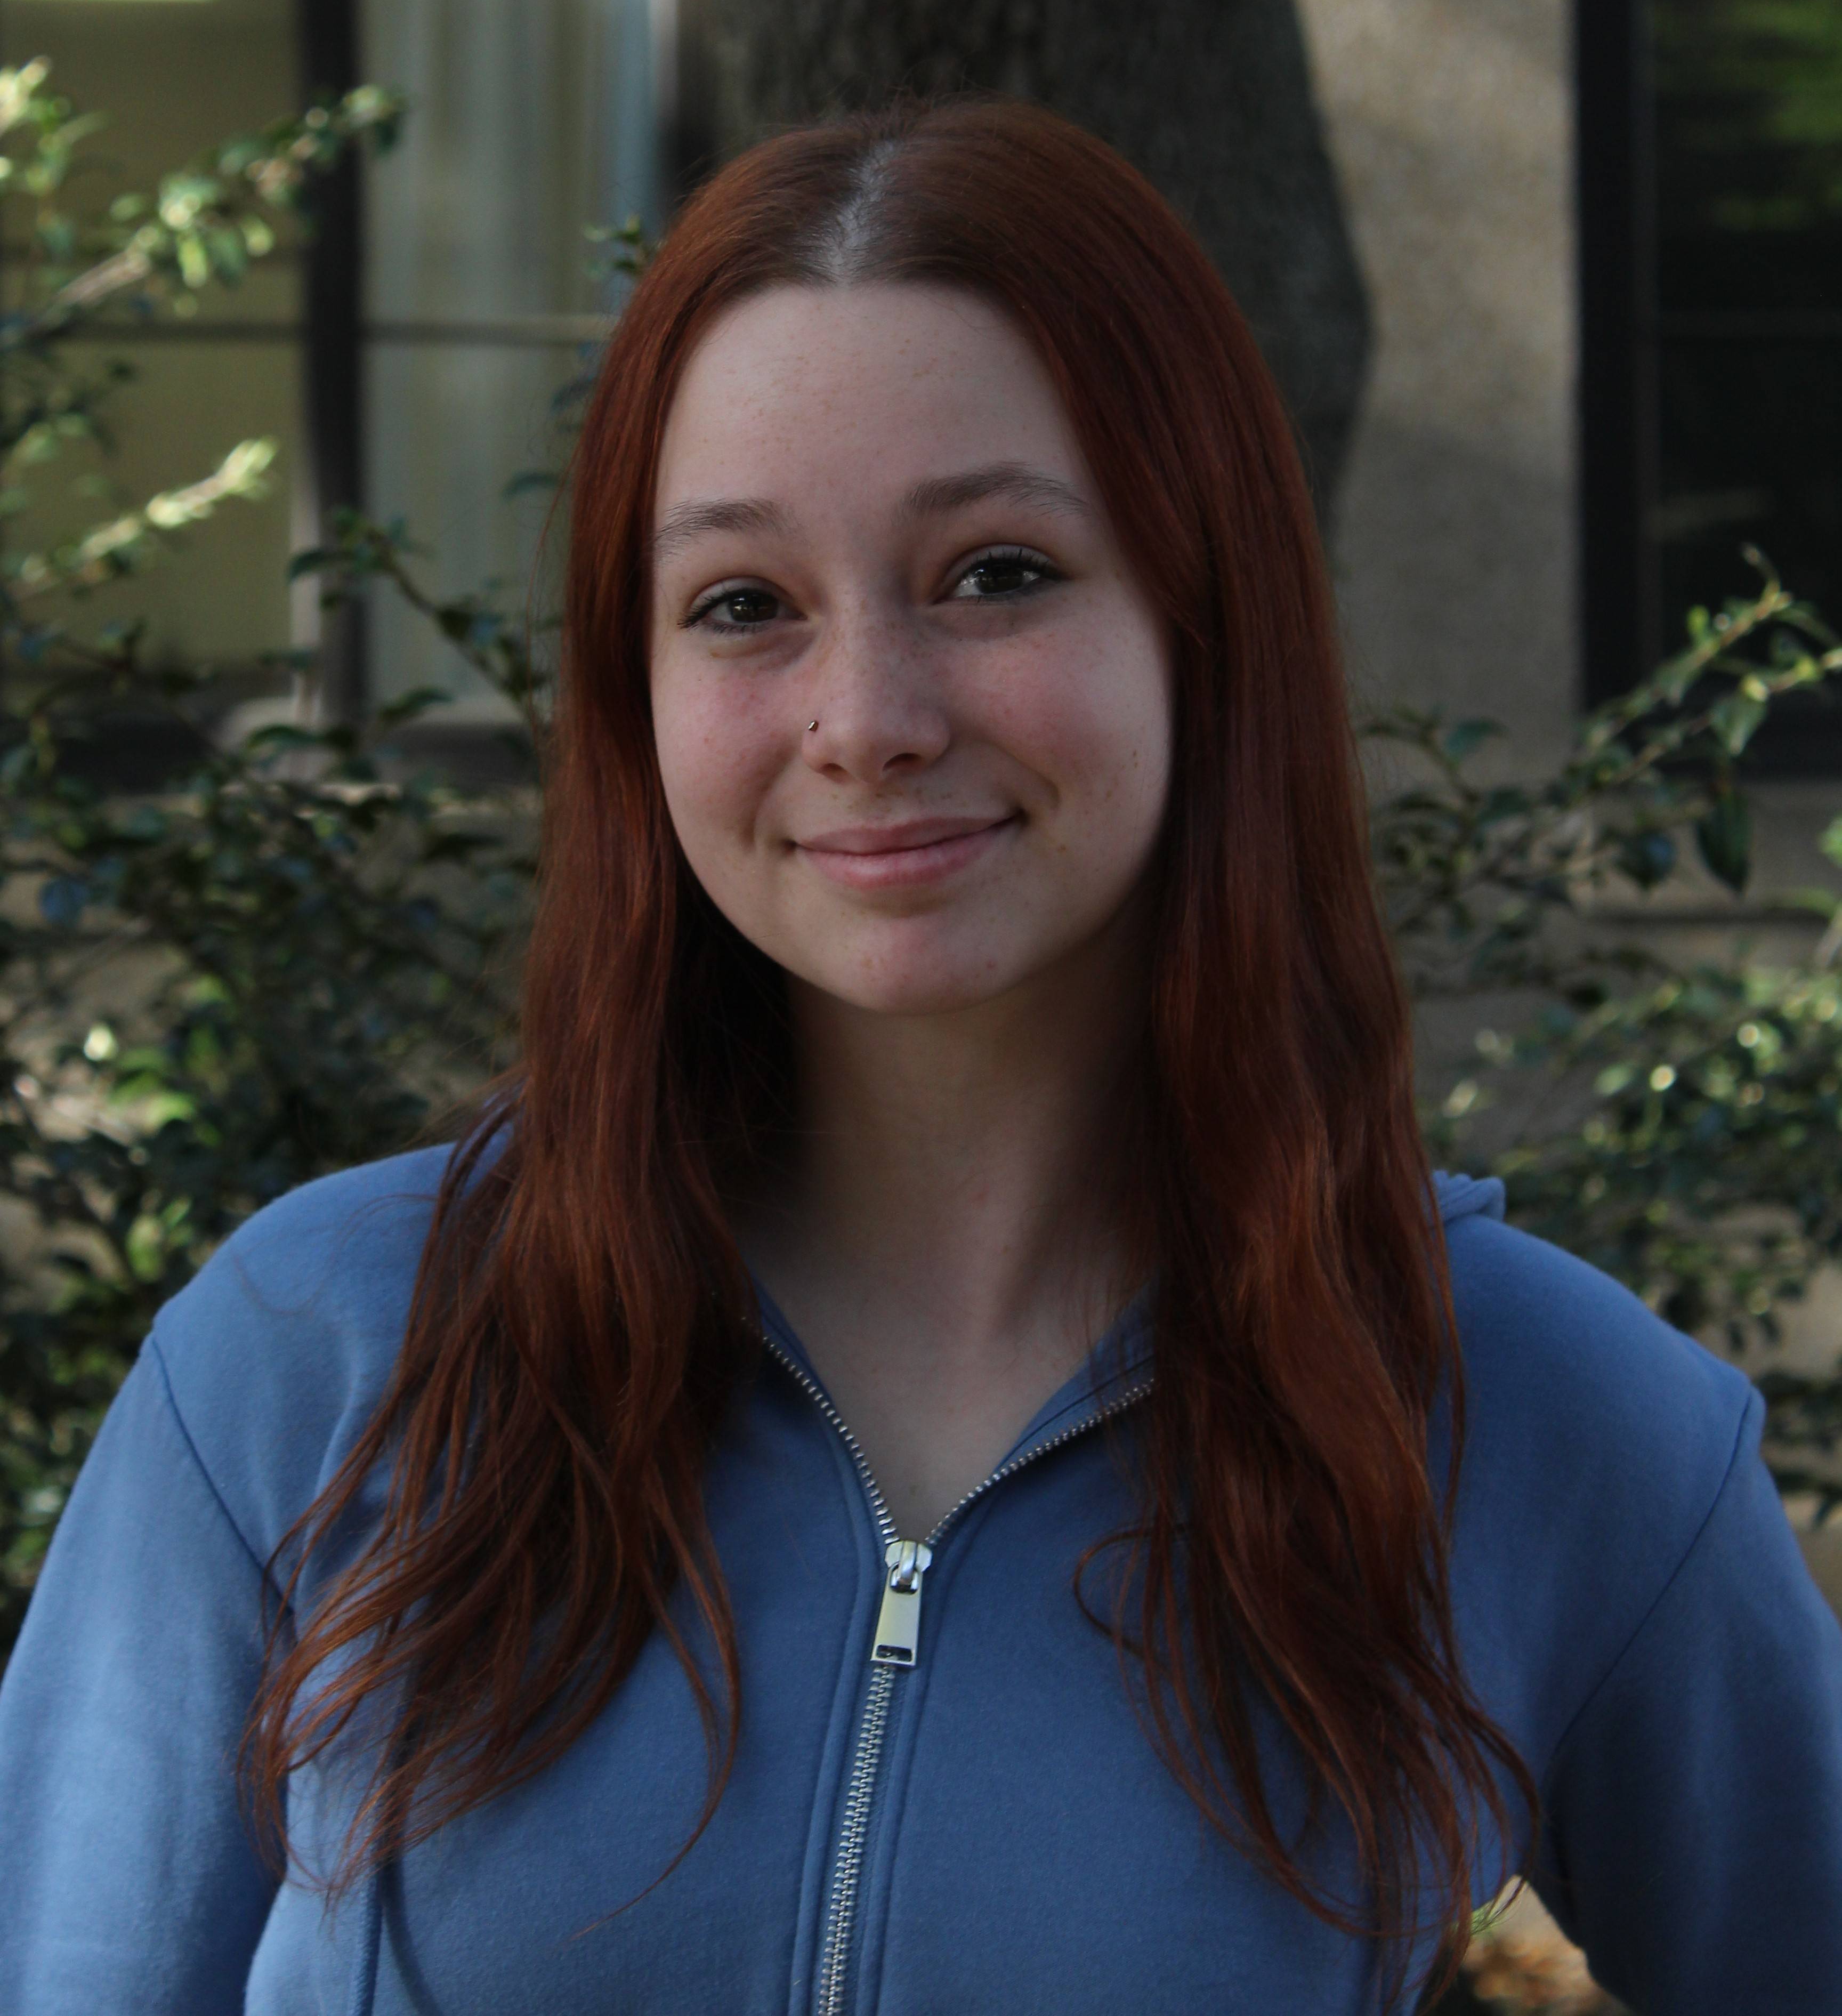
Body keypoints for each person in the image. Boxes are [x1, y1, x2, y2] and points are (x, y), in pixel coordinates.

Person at [1, 99, 1838, 2016]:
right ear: (634, 696)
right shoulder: (314, 1364)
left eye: (996, 572)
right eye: (742, 605)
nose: (863, 715)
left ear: (1204, 627)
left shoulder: (1538, 1418)